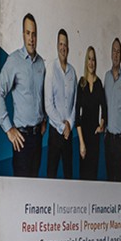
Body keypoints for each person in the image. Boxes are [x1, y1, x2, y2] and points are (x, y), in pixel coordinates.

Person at [0, 13, 48, 177]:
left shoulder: (41, 64)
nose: (31, 38)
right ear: (23, 35)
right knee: (22, 188)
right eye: (28, 33)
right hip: (22, 140)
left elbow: (42, 94)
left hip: (38, 138)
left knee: (34, 186)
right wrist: (8, 129)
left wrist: (44, 119)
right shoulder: (14, 61)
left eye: (34, 34)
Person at [46, 28, 76, 179]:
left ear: (68, 48)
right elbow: (48, 104)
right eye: (61, 44)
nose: (63, 48)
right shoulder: (51, 69)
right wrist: (62, 126)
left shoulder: (73, 72)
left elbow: (75, 103)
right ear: (57, 46)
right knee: (51, 176)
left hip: (68, 134)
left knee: (68, 176)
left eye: (65, 45)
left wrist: (69, 124)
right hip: (55, 134)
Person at [103, 37, 121, 183]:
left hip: (119, 142)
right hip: (108, 139)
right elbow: (103, 106)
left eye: (118, 52)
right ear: (111, 54)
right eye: (114, 51)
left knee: (118, 181)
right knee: (109, 180)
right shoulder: (106, 78)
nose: (116, 54)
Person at [75, 45, 105, 180]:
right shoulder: (81, 83)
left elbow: (104, 109)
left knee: (93, 175)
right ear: (86, 61)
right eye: (89, 59)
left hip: (95, 137)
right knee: (83, 176)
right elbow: (77, 115)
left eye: (93, 59)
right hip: (84, 136)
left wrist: (101, 125)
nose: (91, 62)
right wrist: (81, 143)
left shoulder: (99, 84)